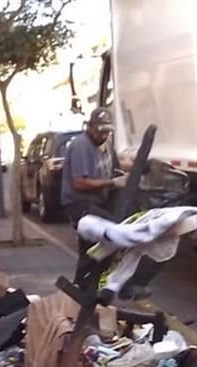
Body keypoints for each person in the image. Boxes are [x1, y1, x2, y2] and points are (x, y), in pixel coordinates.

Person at [60, 107, 126, 286]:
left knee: (90, 249)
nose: (103, 135)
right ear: (89, 126)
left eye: (107, 131)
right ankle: (93, 284)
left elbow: (116, 171)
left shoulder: (106, 146)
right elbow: (79, 182)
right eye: (99, 131)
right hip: (79, 203)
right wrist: (111, 183)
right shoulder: (81, 145)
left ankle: (82, 286)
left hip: (96, 202)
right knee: (114, 233)